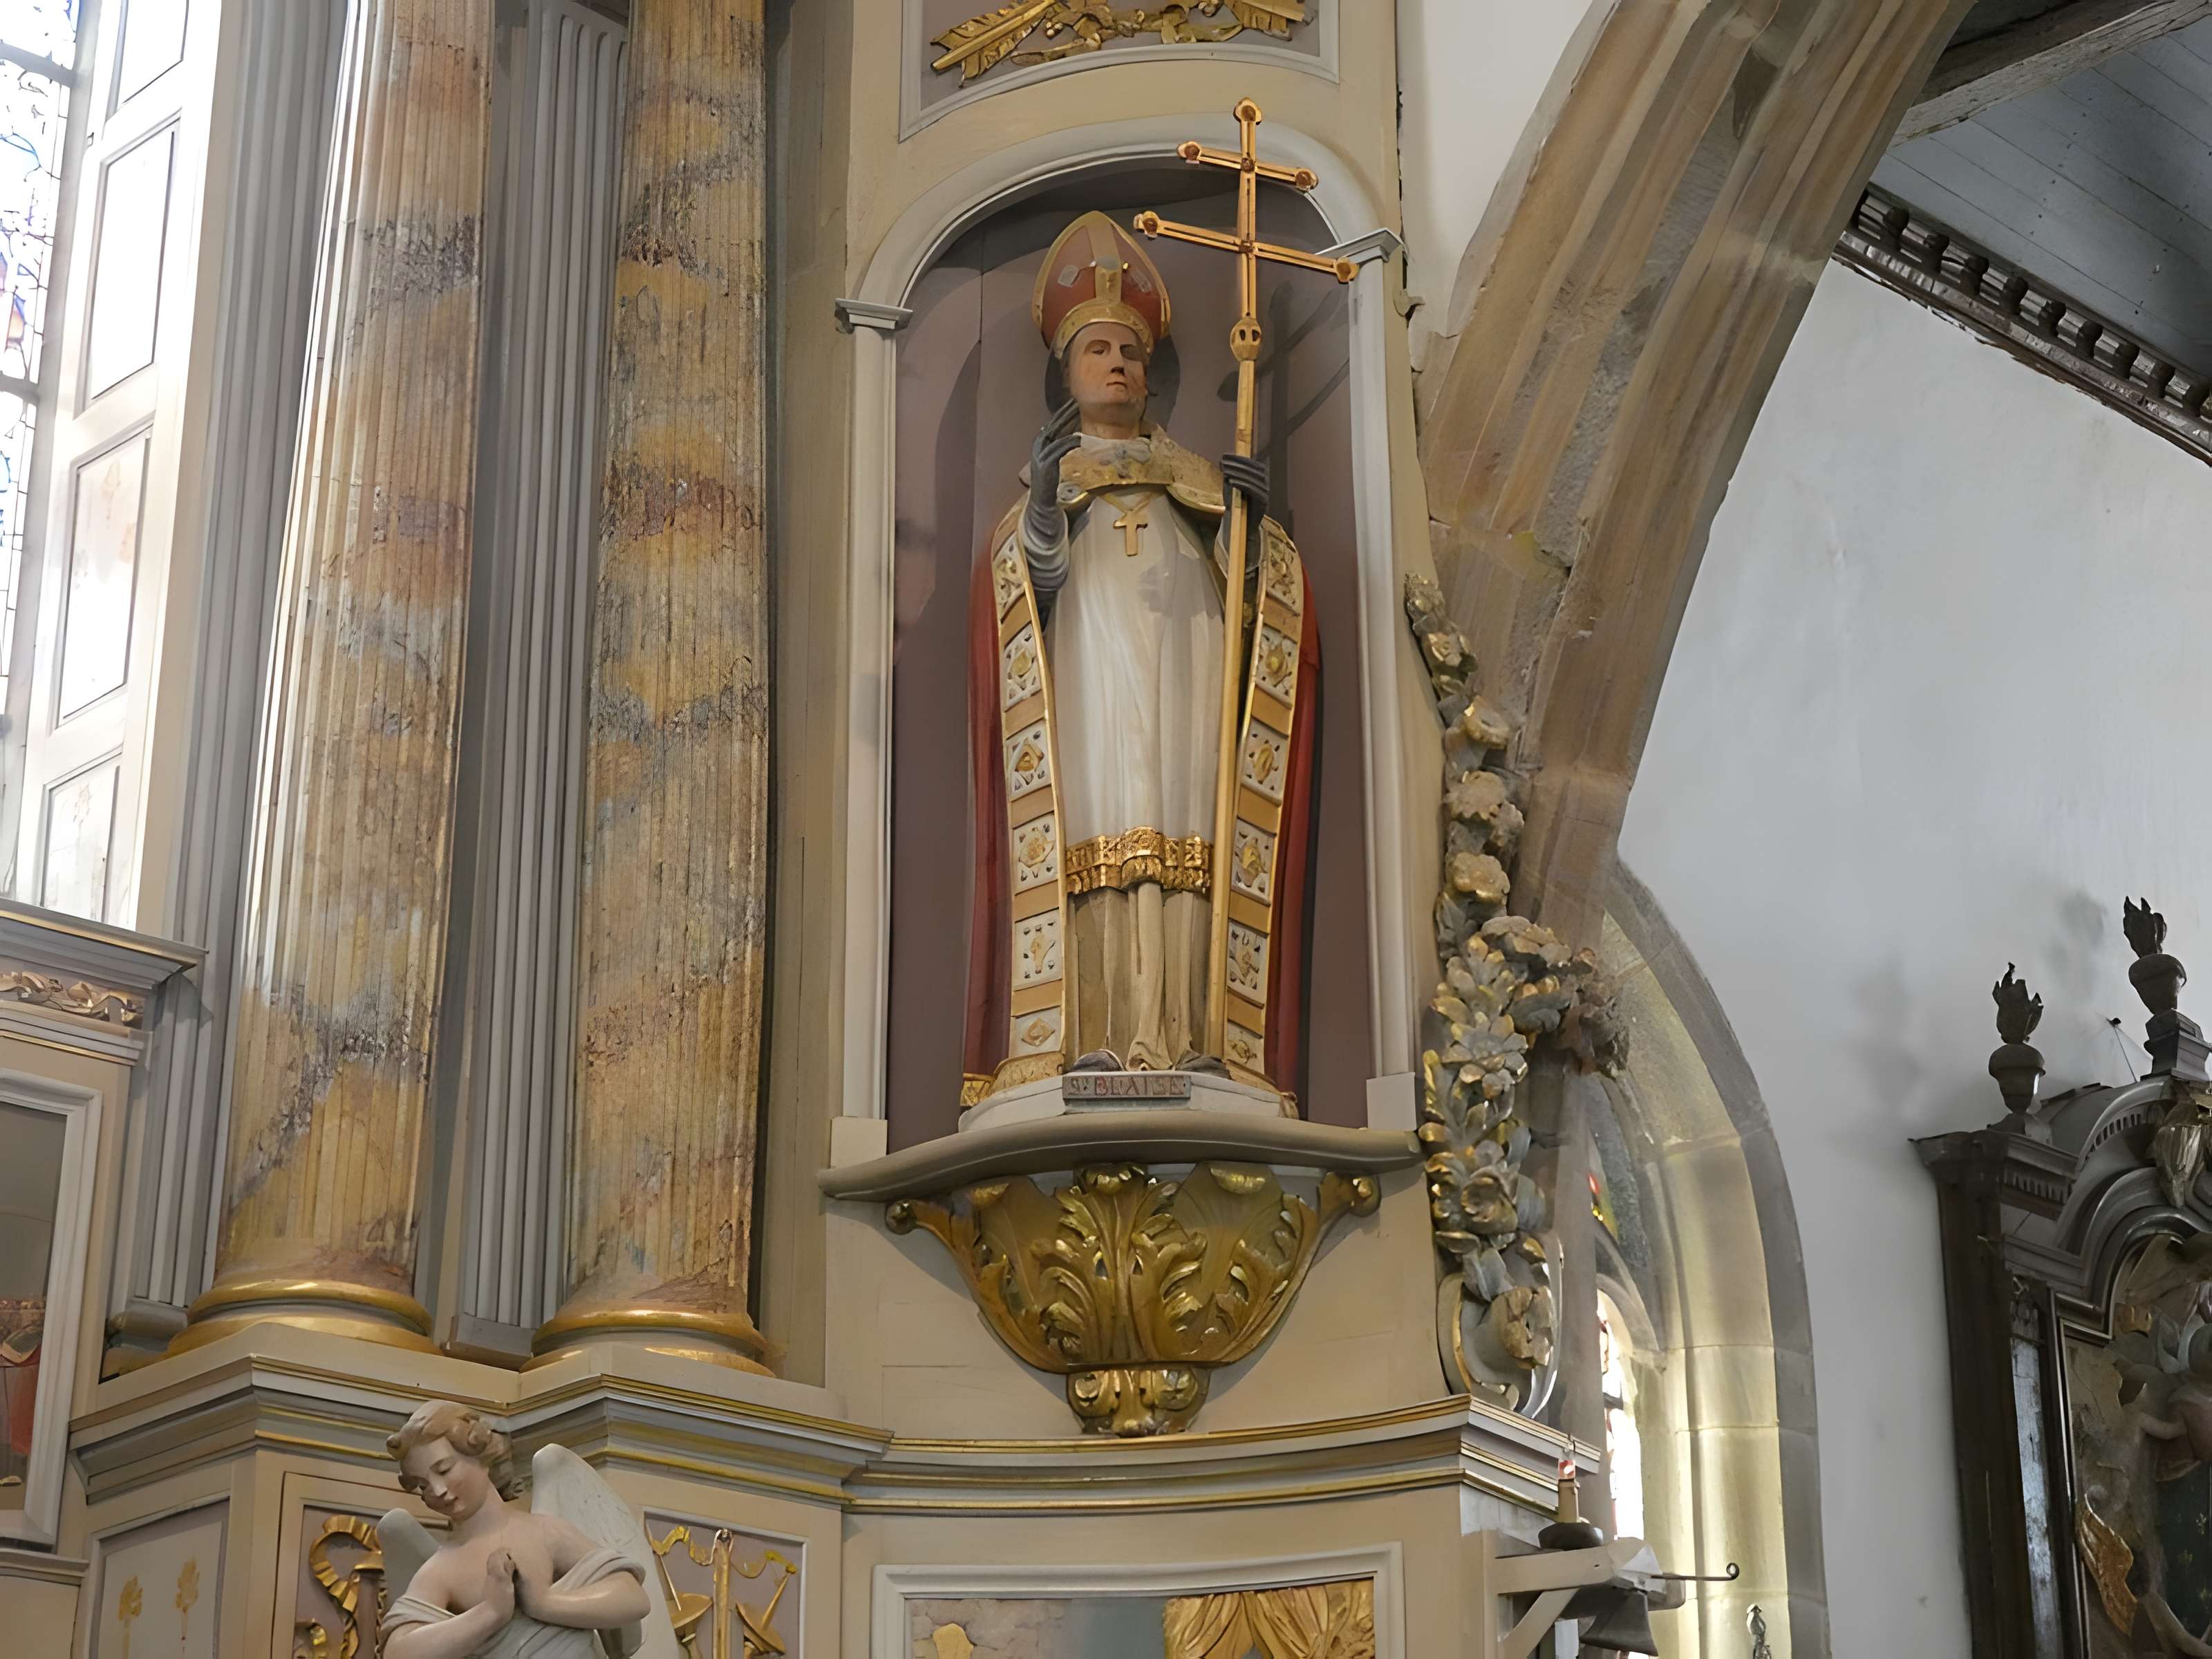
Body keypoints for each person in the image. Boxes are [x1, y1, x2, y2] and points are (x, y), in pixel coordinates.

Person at [963, 212, 1320, 1098]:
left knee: (1186, 827)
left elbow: (1251, 618)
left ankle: (1194, 1034)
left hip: (1181, 680)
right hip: (1090, 682)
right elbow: (1025, 596)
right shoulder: (1045, 492)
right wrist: (1045, 505)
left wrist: (1249, 528)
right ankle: (1096, 1032)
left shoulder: (1195, 481)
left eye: (1128, 350)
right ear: (1065, 373)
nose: (1116, 363)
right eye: (1096, 352)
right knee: (1099, 833)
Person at [378, 1401, 651, 1659]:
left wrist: (545, 1603)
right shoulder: (441, 1568)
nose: (437, 1490)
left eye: (445, 1469)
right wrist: (491, 1613)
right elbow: (398, 1652)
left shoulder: (543, 1532)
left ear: (479, 1454)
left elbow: (633, 1597)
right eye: (423, 1486)